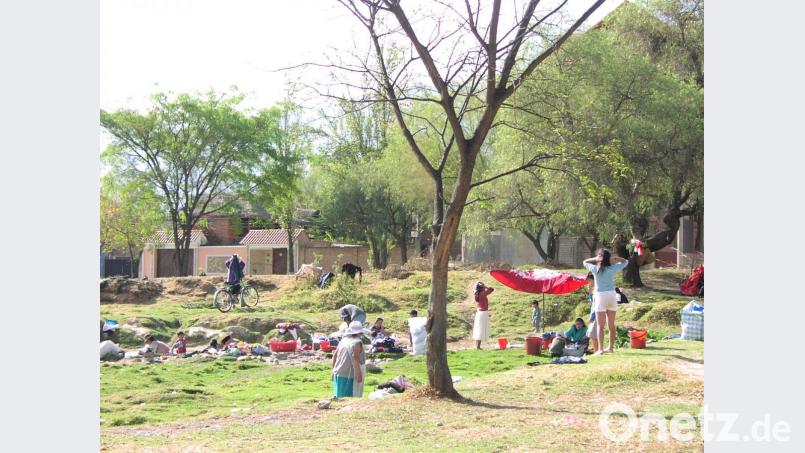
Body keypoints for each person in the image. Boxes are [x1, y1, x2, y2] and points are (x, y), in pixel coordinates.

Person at [583, 249, 629, 355]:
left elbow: (584, 262)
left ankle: (600, 349)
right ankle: (611, 348)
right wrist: (617, 258)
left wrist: (595, 259)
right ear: (608, 258)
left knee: (600, 325)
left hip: (600, 296)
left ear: (600, 258)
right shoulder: (612, 268)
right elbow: (626, 262)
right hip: (612, 295)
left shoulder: (595, 268)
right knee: (611, 324)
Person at [331, 321, 369, 398]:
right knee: (349, 398)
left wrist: (332, 371)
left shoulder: (343, 340)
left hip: (338, 372)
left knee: (339, 397)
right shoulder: (357, 342)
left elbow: (335, 355)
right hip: (349, 374)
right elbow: (355, 357)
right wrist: (358, 374)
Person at [472, 281, 494, 349]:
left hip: (479, 313)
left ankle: (477, 346)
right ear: (482, 288)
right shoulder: (482, 293)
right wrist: (485, 286)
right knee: (480, 330)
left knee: (478, 329)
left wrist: (480, 284)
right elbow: (491, 289)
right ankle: (478, 347)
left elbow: (474, 287)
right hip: (483, 313)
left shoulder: (476, 293)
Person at [585, 273, 599, 353]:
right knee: (593, 333)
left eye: (589, 281)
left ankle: (597, 350)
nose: (588, 283)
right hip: (594, 313)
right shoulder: (594, 290)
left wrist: (592, 317)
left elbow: (596, 305)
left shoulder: (598, 290)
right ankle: (597, 350)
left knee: (593, 333)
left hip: (597, 314)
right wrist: (590, 290)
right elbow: (591, 301)